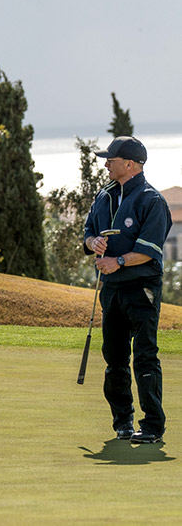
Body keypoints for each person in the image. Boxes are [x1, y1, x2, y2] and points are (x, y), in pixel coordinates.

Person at [83, 136, 172, 444]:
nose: (106, 164)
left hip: (142, 288)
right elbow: (88, 233)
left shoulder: (151, 200)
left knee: (145, 355)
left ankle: (152, 425)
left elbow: (149, 251)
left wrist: (118, 260)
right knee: (115, 357)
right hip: (112, 290)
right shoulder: (104, 196)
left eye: (111, 159)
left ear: (130, 164)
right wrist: (93, 243)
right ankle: (123, 422)